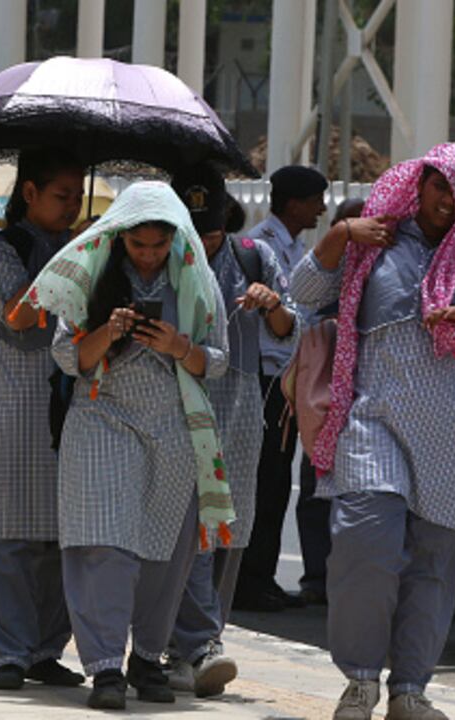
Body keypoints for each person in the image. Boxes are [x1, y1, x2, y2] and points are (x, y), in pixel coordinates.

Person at [290, 143, 455, 720]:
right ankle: (361, 680)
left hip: (452, 432)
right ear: (420, 183)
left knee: (434, 566)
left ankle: (410, 690)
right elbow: (304, 293)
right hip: (374, 419)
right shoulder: (374, 241)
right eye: (438, 185)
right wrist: (340, 237)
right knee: (366, 539)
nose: (445, 199)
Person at [41, 182, 230, 710]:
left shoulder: (196, 280)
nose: (148, 256)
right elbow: (69, 358)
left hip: (172, 428)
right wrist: (109, 331)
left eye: (157, 246)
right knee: (104, 545)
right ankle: (103, 668)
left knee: (161, 551)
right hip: (102, 419)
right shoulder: (90, 277)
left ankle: (146, 657)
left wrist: (177, 346)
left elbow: (217, 361)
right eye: (137, 245)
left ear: (175, 240)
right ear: (119, 238)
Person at [166, 166, 297, 696]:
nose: (206, 240)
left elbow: (290, 329)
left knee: (227, 531)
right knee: (191, 523)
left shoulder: (254, 257)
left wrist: (272, 305)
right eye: (195, 230)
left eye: (213, 229)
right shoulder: (163, 257)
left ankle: (201, 640)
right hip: (179, 398)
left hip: (241, 404)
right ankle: (196, 643)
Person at [0, 148, 86, 691]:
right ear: (30, 193)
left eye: (78, 198)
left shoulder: (87, 249)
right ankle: (7, 651)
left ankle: (45, 649)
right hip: (12, 399)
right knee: (6, 530)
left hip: (73, 402)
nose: (72, 208)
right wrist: (72, 267)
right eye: (62, 197)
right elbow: (18, 315)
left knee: (64, 534)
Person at [236, 164, 328, 612]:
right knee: (264, 481)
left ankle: (261, 577)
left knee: (275, 482)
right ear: (294, 204)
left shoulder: (294, 248)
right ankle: (249, 580)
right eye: (315, 201)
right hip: (265, 377)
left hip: (287, 378)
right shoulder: (260, 247)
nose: (321, 209)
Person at [294, 196, 364, 606]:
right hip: (321, 399)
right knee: (315, 490)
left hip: (366, 398)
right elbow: (299, 307)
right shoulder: (321, 270)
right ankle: (318, 576)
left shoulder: (387, 271)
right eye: (348, 229)